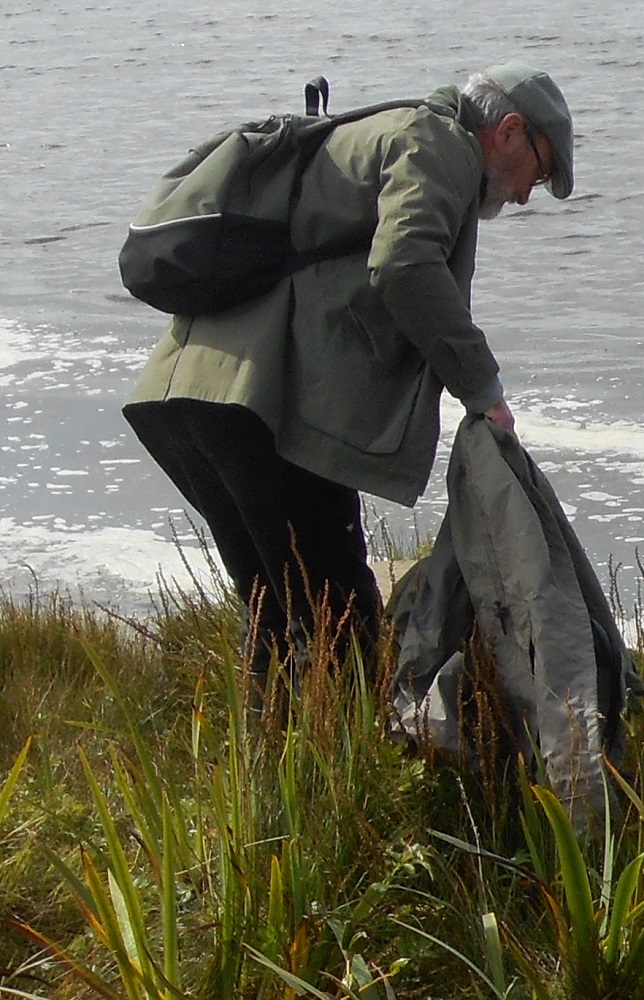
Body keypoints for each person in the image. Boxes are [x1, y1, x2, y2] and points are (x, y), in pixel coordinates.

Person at [122, 61, 575, 707]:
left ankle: (271, 785)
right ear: (507, 130)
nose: (529, 193)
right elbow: (406, 264)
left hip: (187, 394)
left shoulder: (382, 131)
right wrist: (483, 390)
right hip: (267, 407)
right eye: (540, 169)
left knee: (276, 614)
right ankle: (345, 783)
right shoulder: (437, 141)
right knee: (340, 620)